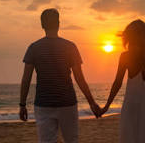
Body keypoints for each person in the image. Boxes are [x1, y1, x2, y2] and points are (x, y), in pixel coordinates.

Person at [19, 8, 100, 143]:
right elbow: (79, 79)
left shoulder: (34, 48)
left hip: (43, 104)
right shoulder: (70, 47)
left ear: (42, 25)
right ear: (58, 24)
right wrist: (92, 103)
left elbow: (26, 79)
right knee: (71, 140)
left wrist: (22, 105)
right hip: (67, 102)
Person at [100, 20, 145, 143]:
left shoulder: (125, 57)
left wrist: (107, 105)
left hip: (132, 103)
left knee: (131, 137)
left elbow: (117, 83)